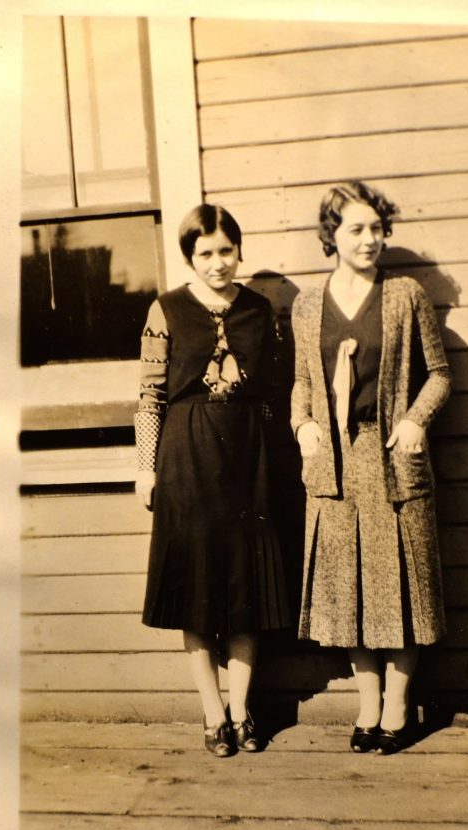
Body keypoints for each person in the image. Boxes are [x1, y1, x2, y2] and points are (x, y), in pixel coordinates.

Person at [291, 180, 451, 755]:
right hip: (333, 469)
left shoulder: (404, 295)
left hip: (392, 462)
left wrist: (415, 420)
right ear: (331, 236)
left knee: (401, 589)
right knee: (350, 591)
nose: (370, 240)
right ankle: (368, 705)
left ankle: (400, 708)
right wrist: (302, 423)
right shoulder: (308, 305)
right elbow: (303, 383)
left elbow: (439, 373)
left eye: (377, 229)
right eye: (356, 229)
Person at [134, 204, 289, 757]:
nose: (218, 263)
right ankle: (213, 714)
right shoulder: (166, 309)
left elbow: (272, 399)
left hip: (248, 463)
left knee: (247, 588)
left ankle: (244, 712)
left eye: (226, 250)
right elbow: (150, 398)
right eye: (205, 253)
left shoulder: (259, 311)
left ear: (238, 251)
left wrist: (275, 464)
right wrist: (145, 469)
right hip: (187, 460)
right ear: (188, 258)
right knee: (197, 593)